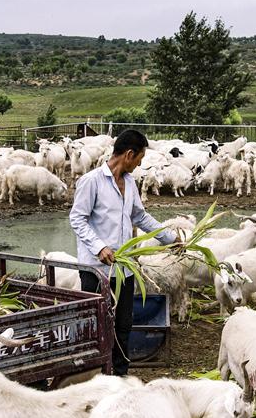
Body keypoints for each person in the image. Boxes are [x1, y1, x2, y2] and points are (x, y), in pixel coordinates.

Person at [69, 129, 178, 376]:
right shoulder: (91, 181)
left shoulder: (129, 182)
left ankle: (120, 374)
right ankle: (96, 374)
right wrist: (99, 247)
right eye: (139, 159)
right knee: (98, 324)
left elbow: (139, 216)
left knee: (123, 324)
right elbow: (78, 219)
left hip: (124, 268)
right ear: (129, 154)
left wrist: (169, 238)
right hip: (97, 270)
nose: (139, 164)